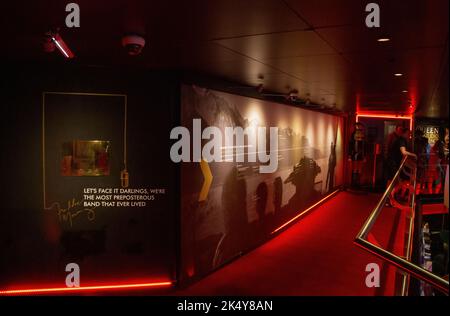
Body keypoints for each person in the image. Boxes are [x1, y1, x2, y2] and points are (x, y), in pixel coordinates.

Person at [348, 122, 366, 188]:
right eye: (358, 126)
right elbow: (351, 145)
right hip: (355, 153)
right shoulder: (353, 134)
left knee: (359, 169)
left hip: (359, 154)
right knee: (355, 168)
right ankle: (354, 183)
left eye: (359, 126)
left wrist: (364, 156)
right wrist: (350, 155)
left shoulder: (362, 134)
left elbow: (364, 146)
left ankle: (358, 183)